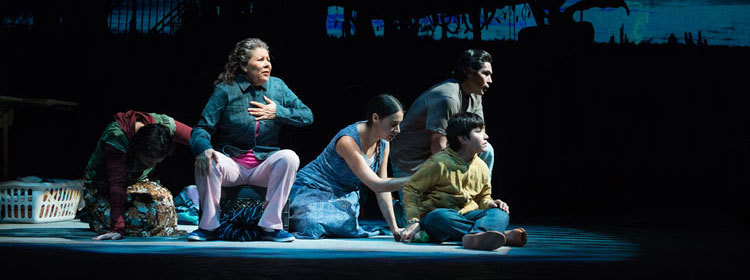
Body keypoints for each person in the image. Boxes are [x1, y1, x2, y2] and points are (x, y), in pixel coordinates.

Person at [187, 38, 313, 242]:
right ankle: (208, 227)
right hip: (232, 165)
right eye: (261, 60)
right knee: (208, 159)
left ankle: (270, 227)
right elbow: (201, 128)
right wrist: (203, 148)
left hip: (264, 164)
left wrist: (277, 111)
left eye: (268, 59)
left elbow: (307, 116)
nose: (267, 64)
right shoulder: (226, 90)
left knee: (290, 157)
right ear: (245, 65)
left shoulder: (278, 87)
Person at [390, 49, 496, 226]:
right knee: (424, 220)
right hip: (414, 161)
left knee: (487, 149)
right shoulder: (446, 97)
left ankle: (476, 205)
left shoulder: (475, 95)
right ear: (470, 72)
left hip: (448, 156)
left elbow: (480, 135)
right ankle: (399, 210)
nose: (490, 80)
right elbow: (438, 146)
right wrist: (452, 190)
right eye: (486, 74)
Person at [290, 94, 410, 239]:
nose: (397, 130)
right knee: (311, 224)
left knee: (346, 224)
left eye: (399, 125)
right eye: (393, 124)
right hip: (313, 187)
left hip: (343, 196)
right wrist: (416, 179)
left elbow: (383, 189)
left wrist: (395, 228)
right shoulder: (348, 140)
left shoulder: (383, 144)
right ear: (375, 118)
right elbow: (377, 185)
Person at [399, 112, 526, 251]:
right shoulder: (439, 163)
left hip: (466, 216)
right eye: (479, 132)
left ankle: (478, 235)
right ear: (463, 138)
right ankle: (498, 236)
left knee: (500, 212)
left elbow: (483, 197)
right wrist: (413, 221)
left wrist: (491, 203)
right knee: (438, 217)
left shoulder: (481, 166)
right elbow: (411, 188)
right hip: (442, 218)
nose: (486, 136)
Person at [83, 110, 192, 241]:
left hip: (138, 182)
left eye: (156, 162)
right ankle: (95, 213)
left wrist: (208, 154)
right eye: (148, 161)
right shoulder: (117, 139)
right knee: (141, 220)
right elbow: (117, 186)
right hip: (104, 186)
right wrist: (117, 228)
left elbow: (197, 137)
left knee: (164, 207)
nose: (151, 165)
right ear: (138, 149)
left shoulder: (162, 128)